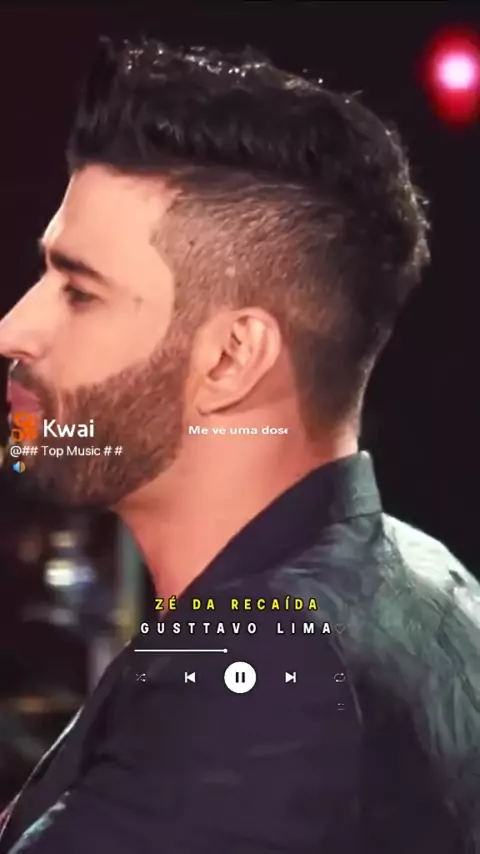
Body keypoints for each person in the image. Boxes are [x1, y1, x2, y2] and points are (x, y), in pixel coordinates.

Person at [0, 36, 477, 854]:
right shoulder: (428, 575)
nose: (13, 328)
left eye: (79, 291)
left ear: (229, 359)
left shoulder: (256, 675)